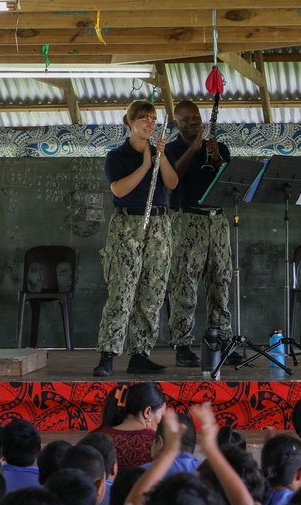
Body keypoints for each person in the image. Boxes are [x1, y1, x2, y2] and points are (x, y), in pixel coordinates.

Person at [94, 99, 179, 377]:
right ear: (131, 122)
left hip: (158, 224)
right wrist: (145, 164)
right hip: (127, 224)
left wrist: (160, 157)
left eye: (153, 120)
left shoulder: (159, 152)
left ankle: (141, 353)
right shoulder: (117, 156)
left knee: (152, 291)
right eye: (144, 119)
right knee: (122, 291)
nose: (150, 124)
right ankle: (108, 354)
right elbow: (119, 190)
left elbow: (171, 183)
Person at [164, 100, 242, 369]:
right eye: (185, 119)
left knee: (220, 281)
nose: (193, 122)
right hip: (187, 219)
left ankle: (220, 341)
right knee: (185, 284)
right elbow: (171, 179)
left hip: (217, 220)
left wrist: (218, 158)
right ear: (177, 123)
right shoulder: (171, 149)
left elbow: (232, 183)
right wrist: (193, 149)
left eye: (196, 117)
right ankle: (183, 344)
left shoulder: (218, 147)